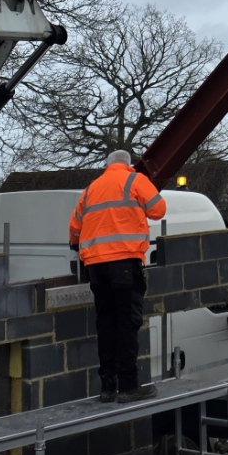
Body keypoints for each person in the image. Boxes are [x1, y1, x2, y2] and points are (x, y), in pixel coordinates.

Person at [68, 148, 167, 402]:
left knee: (106, 323)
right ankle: (129, 386)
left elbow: (74, 230)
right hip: (124, 262)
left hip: (96, 268)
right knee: (127, 322)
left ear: (107, 165)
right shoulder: (135, 180)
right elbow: (158, 210)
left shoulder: (91, 189)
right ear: (128, 164)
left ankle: (107, 388)